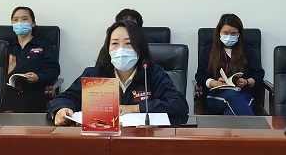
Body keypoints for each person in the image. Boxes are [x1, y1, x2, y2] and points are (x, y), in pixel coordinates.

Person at [47, 21, 188, 125]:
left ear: (139, 48)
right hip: (102, 140)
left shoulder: (151, 73)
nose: (121, 49)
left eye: (129, 43)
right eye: (115, 43)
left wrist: (135, 108)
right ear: (107, 48)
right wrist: (61, 109)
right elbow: (66, 97)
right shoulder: (96, 74)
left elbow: (178, 104)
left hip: (143, 140)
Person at [195, 14, 265, 116]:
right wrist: (215, 83)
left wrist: (246, 82)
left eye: (233, 34)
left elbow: (258, 75)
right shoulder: (208, 50)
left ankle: (244, 126)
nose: (229, 36)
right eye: (225, 33)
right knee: (231, 95)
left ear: (239, 34)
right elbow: (200, 76)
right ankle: (255, 126)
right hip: (216, 96)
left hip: (243, 94)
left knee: (230, 113)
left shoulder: (248, 51)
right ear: (219, 32)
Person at [3, 6, 60, 113]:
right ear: (12, 24)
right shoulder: (6, 46)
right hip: (9, 97)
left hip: (35, 95)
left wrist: (38, 77)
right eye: (16, 20)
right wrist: (8, 71)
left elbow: (53, 70)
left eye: (24, 19)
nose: (20, 23)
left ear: (33, 23)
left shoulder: (43, 45)